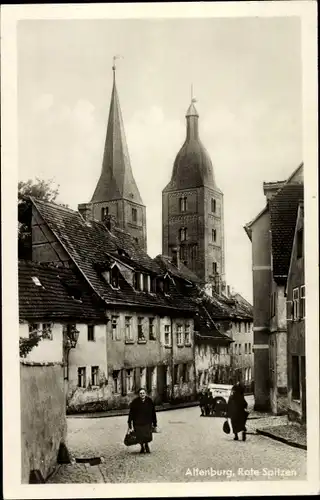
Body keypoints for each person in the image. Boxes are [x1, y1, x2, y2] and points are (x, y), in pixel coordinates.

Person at [128, 388, 157, 454]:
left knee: (147, 435)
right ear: (139, 394)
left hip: (147, 422)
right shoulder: (135, 402)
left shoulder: (149, 401)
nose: (142, 394)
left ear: (145, 393)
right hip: (138, 423)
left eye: (143, 393)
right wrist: (129, 423)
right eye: (140, 393)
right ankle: (142, 447)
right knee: (140, 436)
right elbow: (131, 413)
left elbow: (153, 412)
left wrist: (155, 423)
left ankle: (146, 445)